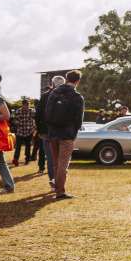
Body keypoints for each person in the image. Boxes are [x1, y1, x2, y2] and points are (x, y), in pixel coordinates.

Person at [46, 70, 85, 200]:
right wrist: (74, 132)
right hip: (66, 133)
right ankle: (60, 192)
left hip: (52, 132)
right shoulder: (77, 97)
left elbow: (47, 112)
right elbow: (78, 119)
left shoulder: (53, 93)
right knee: (63, 164)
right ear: (77, 82)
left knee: (56, 163)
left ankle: (57, 188)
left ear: (66, 78)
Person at [35, 81, 60, 185]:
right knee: (61, 158)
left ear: (53, 83)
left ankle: (53, 179)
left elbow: (38, 115)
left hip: (46, 130)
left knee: (50, 157)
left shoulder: (45, 96)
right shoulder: (67, 96)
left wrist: (39, 130)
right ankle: (59, 181)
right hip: (61, 131)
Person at [11, 99, 36, 165]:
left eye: (28, 105)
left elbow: (36, 121)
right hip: (20, 131)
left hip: (29, 131)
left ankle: (27, 159)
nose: (27, 106)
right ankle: (15, 159)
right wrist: (15, 122)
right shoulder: (18, 111)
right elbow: (13, 119)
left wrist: (34, 129)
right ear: (22, 105)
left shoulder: (32, 111)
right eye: (26, 105)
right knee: (18, 146)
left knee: (28, 146)